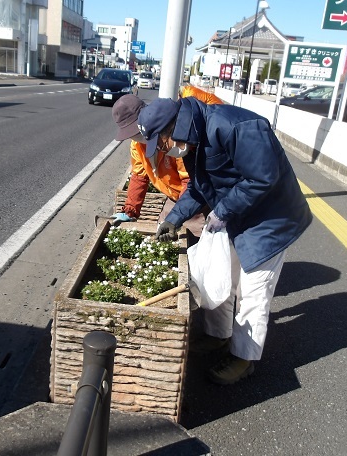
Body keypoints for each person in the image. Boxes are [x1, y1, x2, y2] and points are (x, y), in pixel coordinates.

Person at [137, 97, 312, 385]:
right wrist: (174, 218)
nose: (167, 149)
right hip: (235, 213)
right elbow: (199, 186)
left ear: (174, 126)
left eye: (163, 141)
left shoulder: (238, 126)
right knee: (222, 276)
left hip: (271, 218)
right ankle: (218, 336)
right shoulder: (191, 137)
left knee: (253, 290)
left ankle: (244, 358)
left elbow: (262, 178)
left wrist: (222, 210)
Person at [111, 88, 222, 234]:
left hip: (196, 197)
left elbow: (190, 182)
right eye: (132, 134)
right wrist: (130, 210)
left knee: (192, 238)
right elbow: (139, 176)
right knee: (162, 232)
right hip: (175, 197)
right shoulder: (137, 146)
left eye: (138, 131)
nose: (138, 137)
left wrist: (176, 217)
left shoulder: (171, 138)